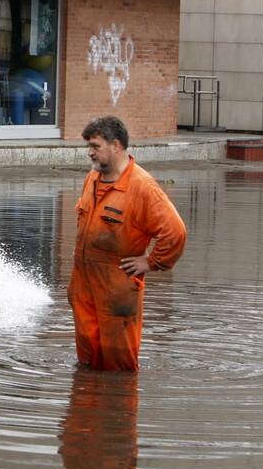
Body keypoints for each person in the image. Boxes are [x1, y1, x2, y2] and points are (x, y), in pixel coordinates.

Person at [67, 116, 187, 371]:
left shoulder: (143, 188)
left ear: (117, 145)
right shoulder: (92, 178)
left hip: (117, 286)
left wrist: (152, 262)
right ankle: (85, 408)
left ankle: (118, 407)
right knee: (87, 359)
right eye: (89, 146)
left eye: (96, 147)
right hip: (84, 281)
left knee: (118, 363)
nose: (90, 153)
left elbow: (175, 232)